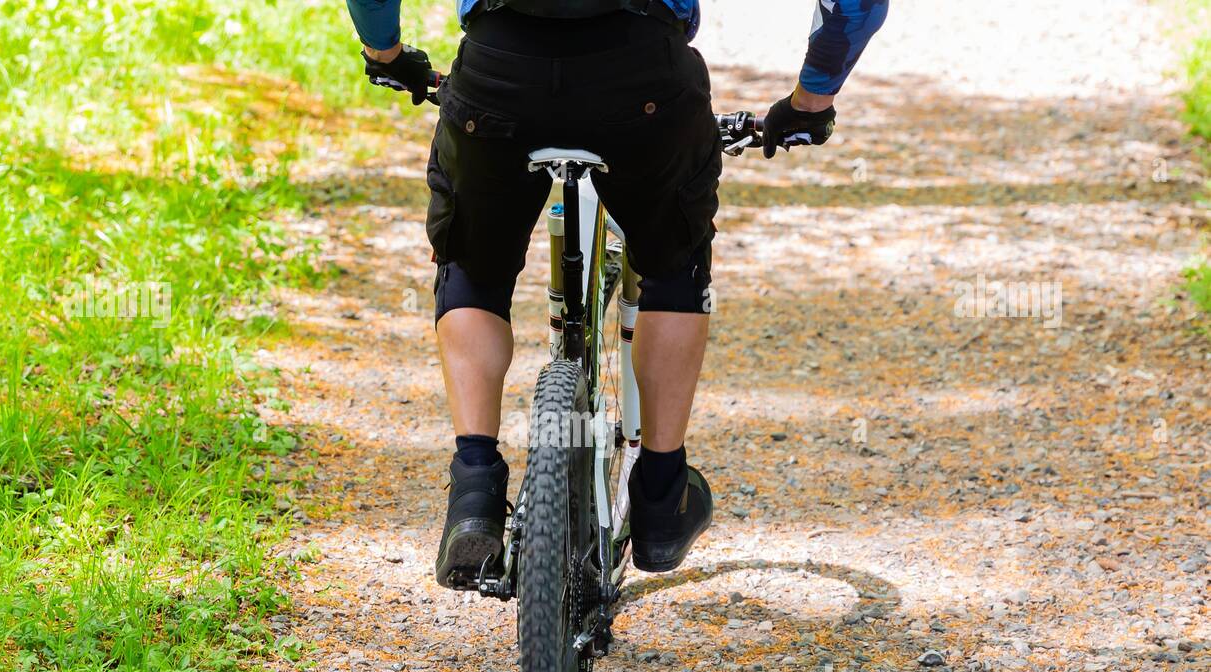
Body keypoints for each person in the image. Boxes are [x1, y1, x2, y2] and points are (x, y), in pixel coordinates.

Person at [345, 0, 888, 586]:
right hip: (644, 83)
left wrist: (387, 53)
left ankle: (474, 490)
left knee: (473, 266)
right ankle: (659, 498)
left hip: (499, 75)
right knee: (672, 265)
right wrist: (810, 100)